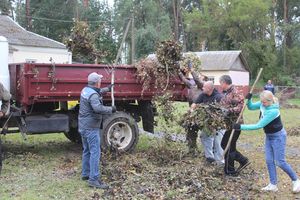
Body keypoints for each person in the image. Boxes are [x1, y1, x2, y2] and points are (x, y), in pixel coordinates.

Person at [233, 90, 300, 193]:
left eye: (264, 102)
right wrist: (249, 99)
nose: (262, 104)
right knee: (269, 160)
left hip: (278, 137)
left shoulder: (273, 111)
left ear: (270, 101)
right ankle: (273, 185)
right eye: (261, 101)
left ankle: (296, 180)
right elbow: (250, 107)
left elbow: (258, 125)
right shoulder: (263, 103)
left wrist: (240, 126)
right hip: (269, 136)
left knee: (280, 162)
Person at [78, 72, 116, 189]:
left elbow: (96, 91)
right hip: (91, 127)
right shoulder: (93, 95)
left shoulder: (85, 90)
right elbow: (97, 108)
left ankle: (85, 174)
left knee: (87, 150)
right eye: (100, 80)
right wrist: (111, 109)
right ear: (97, 82)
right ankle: (93, 179)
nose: (101, 81)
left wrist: (107, 89)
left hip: (83, 126)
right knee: (95, 152)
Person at [219, 75, 250, 176]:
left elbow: (241, 106)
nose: (220, 85)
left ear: (224, 83)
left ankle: (230, 171)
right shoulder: (227, 92)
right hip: (229, 123)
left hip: (236, 124)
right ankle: (243, 160)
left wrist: (229, 111)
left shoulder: (235, 92)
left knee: (230, 147)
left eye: (220, 83)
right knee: (224, 144)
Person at [191, 81, 224, 164]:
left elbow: (222, 111)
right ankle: (209, 157)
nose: (202, 88)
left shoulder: (219, 97)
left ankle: (220, 161)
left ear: (209, 89)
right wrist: (192, 110)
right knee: (204, 137)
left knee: (218, 141)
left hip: (218, 123)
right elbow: (195, 104)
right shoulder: (203, 95)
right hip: (207, 123)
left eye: (204, 87)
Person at [178, 61, 205, 154]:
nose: (199, 76)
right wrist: (179, 72)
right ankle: (192, 150)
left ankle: (209, 152)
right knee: (191, 132)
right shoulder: (192, 86)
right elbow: (184, 80)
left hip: (202, 114)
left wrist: (192, 69)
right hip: (193, 114)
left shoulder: (203, 86)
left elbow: (197, 79)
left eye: (201, 76)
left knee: (206, 134)